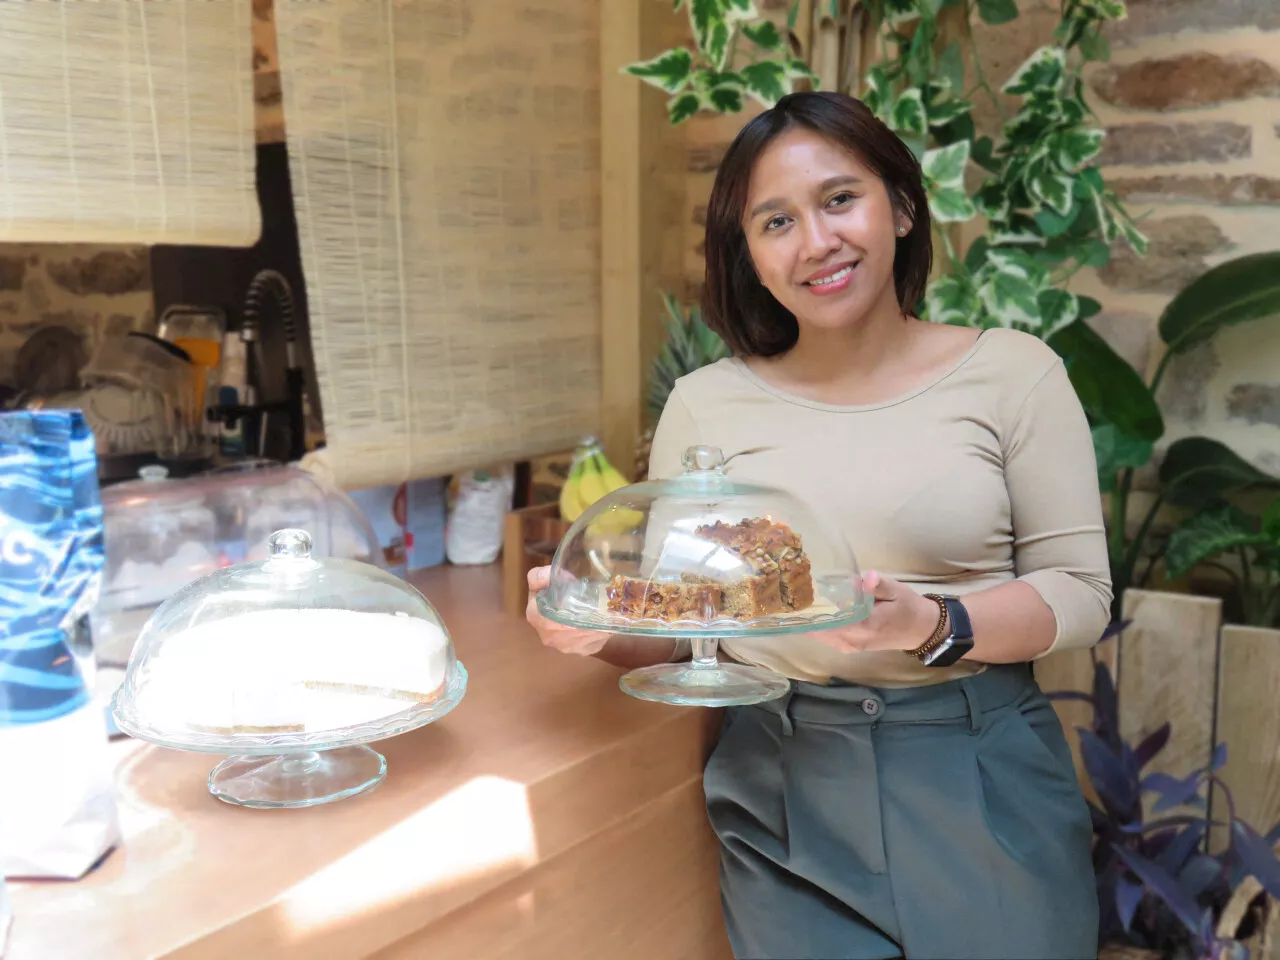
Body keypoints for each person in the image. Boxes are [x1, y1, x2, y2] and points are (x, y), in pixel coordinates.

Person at [526, 90, 1109, 960]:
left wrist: (934, 623)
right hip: (781, 780)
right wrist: (593, 630)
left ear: (902, 207)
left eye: (840, 199)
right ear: (750, 256)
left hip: (977, 772)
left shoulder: (1014, 376)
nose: (816, 242)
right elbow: (685, 623)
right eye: (775, 221)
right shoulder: (704, 403)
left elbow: (1082, 593)